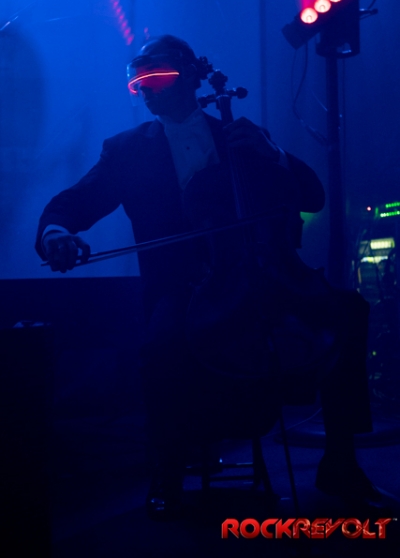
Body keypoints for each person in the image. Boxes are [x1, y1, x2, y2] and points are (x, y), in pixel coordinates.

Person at [35, 34, 382, 519]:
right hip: (183, 286)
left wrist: (274, 153)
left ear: (191, 79)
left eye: (157, 78)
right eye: (139, 82)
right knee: (161, 347)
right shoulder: (126, 151)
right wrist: (56, 232)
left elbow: (312, 196)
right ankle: (169, 467)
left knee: (346, 312)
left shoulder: (241, 136)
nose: (146, 89)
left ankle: (341, 461)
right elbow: (74, 202)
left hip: (266, 276)